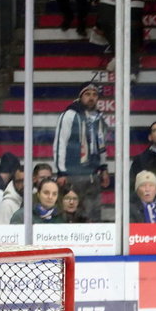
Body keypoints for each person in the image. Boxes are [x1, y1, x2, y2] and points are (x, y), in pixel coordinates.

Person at [53, 84, 111, 221]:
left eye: (94, 95)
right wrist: (61, 171)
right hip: (73, 174)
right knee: (71, 214)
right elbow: (60, 142)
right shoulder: (69, 115)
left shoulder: (99, 118)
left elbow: (101, 145)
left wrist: (103, 168)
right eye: (87, 94)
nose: (91, 98)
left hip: (92, 176)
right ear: (80, 96)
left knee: (93, 215)